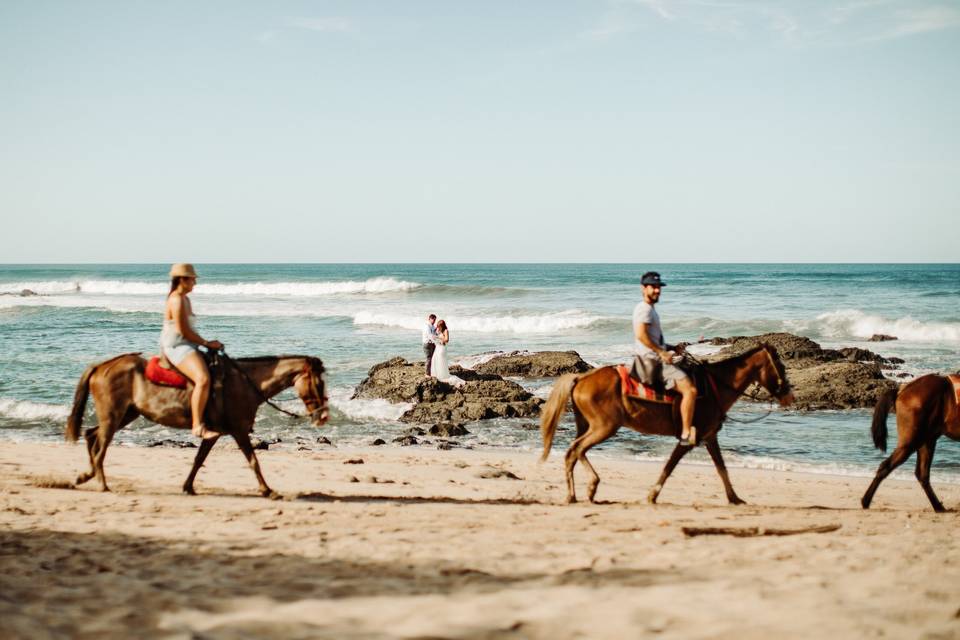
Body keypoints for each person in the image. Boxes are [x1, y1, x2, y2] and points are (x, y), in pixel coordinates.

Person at [633, 271, 698, 446]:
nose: (657, 291)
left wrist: (671, 348)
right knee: (690, 390)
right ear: (643, 288)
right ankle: (685, 434)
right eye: (653, 287)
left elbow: (652, 339)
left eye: (658, 287)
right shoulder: (644, 309)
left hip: (653, 357)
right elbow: (641, 335)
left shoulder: (650, 309)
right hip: (652, 362)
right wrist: (661, 353)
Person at [160, 263, 223, 439]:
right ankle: (197, 426)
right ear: (183, 280)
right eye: (192, 279)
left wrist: (207, 343)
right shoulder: (177, 299)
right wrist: (206, 343)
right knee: (203, 379)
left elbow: (189, 331)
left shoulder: (185, 299)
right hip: (176, 346)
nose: (195, 283)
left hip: (187, 344)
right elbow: (182, 331)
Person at [430, 320, 465, 387]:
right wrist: (435, 338)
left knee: (441, 360)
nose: (438, 327)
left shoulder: (446, 331)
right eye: (437, 326)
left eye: (439, 326)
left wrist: (439, 338)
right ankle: (437, 374)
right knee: (435, 359)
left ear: (442, 325)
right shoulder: (439, 331)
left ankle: (442, 375)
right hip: (438, 347)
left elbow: (447, 340)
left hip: (442, 348)